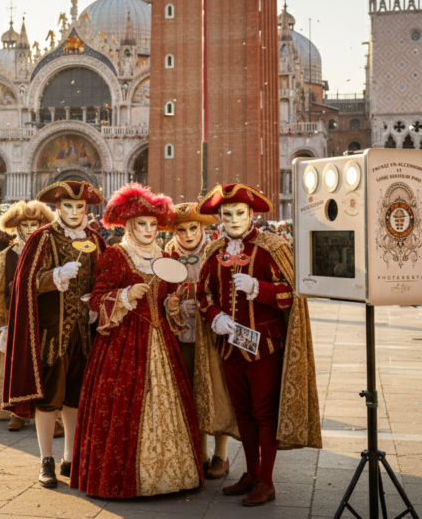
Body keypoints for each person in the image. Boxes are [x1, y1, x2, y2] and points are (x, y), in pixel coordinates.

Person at [71, 183, 204, 498]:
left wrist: (172, 305)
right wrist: (125, 295)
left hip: (162, 342)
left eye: (153, 224)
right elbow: (96, 298)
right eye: (140, 224)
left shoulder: (165, 255)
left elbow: (168, 299)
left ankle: (171, 475)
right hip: (122, 346)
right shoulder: (117, 255)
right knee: (120, 411)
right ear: (128, 225)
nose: (148, 229)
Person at [196, 183, 321, 506]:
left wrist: (259, 288)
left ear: (252, 214)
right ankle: (251, 473)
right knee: (244, 412)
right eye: (227, 214)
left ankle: (266, 481)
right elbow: (203, 294)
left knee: (265, 414)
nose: (234, 219)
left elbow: (293, 293)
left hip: (264, 346)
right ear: (220, 217)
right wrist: (214, 316)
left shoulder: (271, 247)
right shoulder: (214, 252)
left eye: (240, 213)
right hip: (228, 346)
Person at [3, 180, 106, 488]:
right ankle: (46, 458)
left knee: (75, 395)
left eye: (80, 207)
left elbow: (105, 277)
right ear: (58, 208)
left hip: (85, 333)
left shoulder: (95, 240)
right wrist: (54, 277)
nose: (74, 212)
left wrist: (97, 301)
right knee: (49, 396)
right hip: (50, 333)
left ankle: (70, 457)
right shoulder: (42, 238)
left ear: (86, 209)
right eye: (68, 207)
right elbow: (24, 284)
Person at [164, 202, 236, 480]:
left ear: (203, 227)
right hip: (181, 332)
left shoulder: (217, 251)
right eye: (180, 229)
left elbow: (228, 288)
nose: (187, 234)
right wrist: (173, 305)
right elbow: (162, 290)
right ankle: (199, 453)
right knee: (191, 392)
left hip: (212, 331)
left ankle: (221, 454)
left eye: (193, 227)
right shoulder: (167, 254)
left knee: (216, 389)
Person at [0, 200, 55, 430]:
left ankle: (49, 414)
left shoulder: (49, 251)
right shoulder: (7, 254)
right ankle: (19, 411)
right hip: (16, 315)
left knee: (45, 364)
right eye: (26, 224)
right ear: (18, 227)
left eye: (35, 224)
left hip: (44, 314)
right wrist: (0, 320)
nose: (31, 229)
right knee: (17, 364)